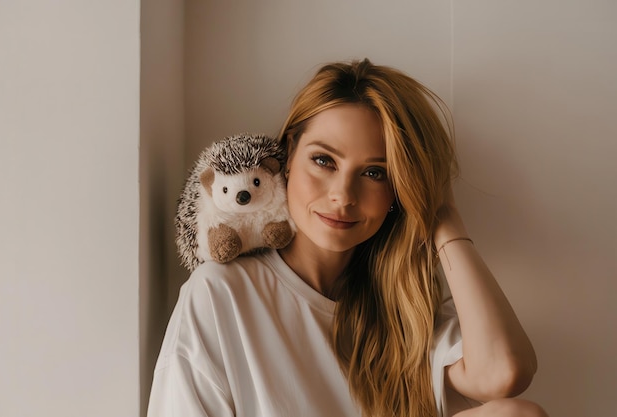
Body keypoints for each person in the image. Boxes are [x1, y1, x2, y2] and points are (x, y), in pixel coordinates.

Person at [147, 59, 548, 417]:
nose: (343, 195)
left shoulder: (407, 312)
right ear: (289, 153)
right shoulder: (223, 294)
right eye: (324, 160)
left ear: (399, 190)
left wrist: (443, 220)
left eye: (375, 172)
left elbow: (503, 372)